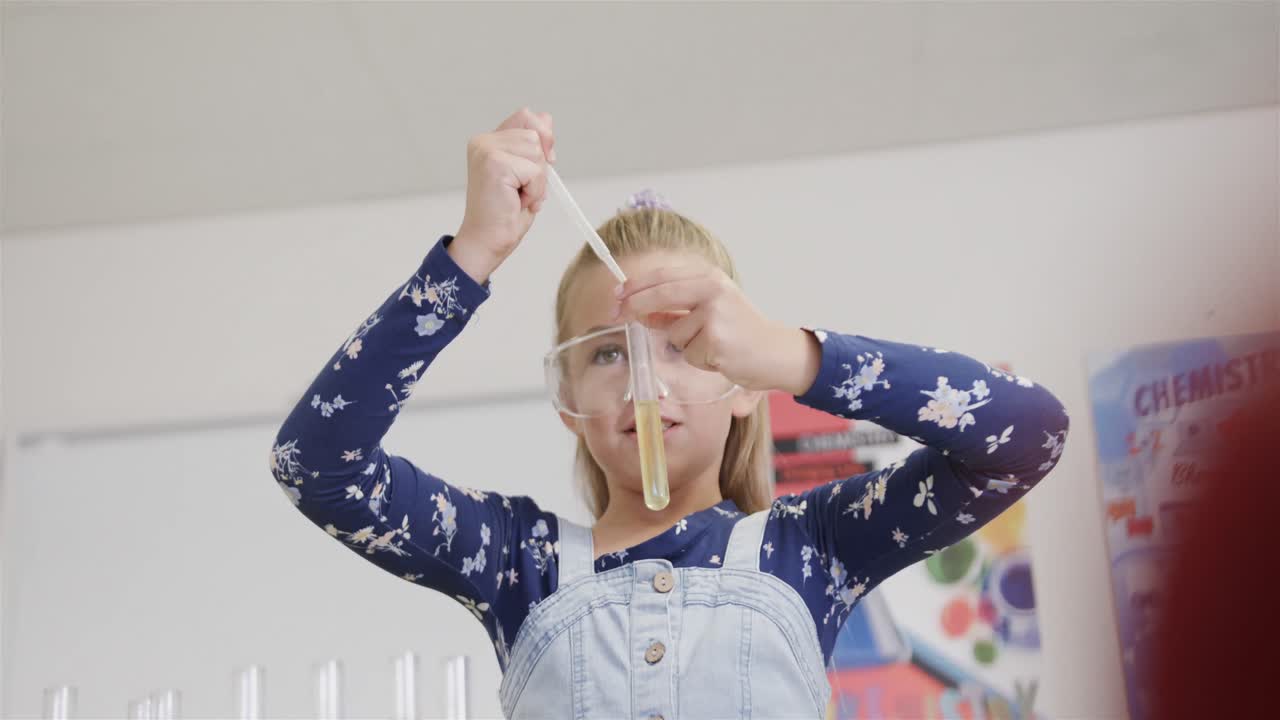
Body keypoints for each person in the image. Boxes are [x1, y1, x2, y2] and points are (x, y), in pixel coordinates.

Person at [269, 107, 1070, 719]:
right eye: (606, 354)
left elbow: (1028, 433)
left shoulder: (814, 548)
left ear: (746, 380)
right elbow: (316, 465)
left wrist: (794, 355)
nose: (644, 385)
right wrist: (470, 254)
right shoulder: (516, 562)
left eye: (685, 344)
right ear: (567, 401)